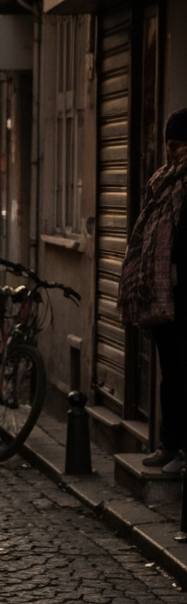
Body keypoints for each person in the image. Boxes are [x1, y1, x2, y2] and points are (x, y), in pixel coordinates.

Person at [118, 108, 187, 475]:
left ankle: (180, 451)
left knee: (182, 373)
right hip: (162, 296)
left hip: (183, 294)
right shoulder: (161, 183)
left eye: (179, 145)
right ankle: (169, 445)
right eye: (169, 144)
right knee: (170, 374)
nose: (172, 151)